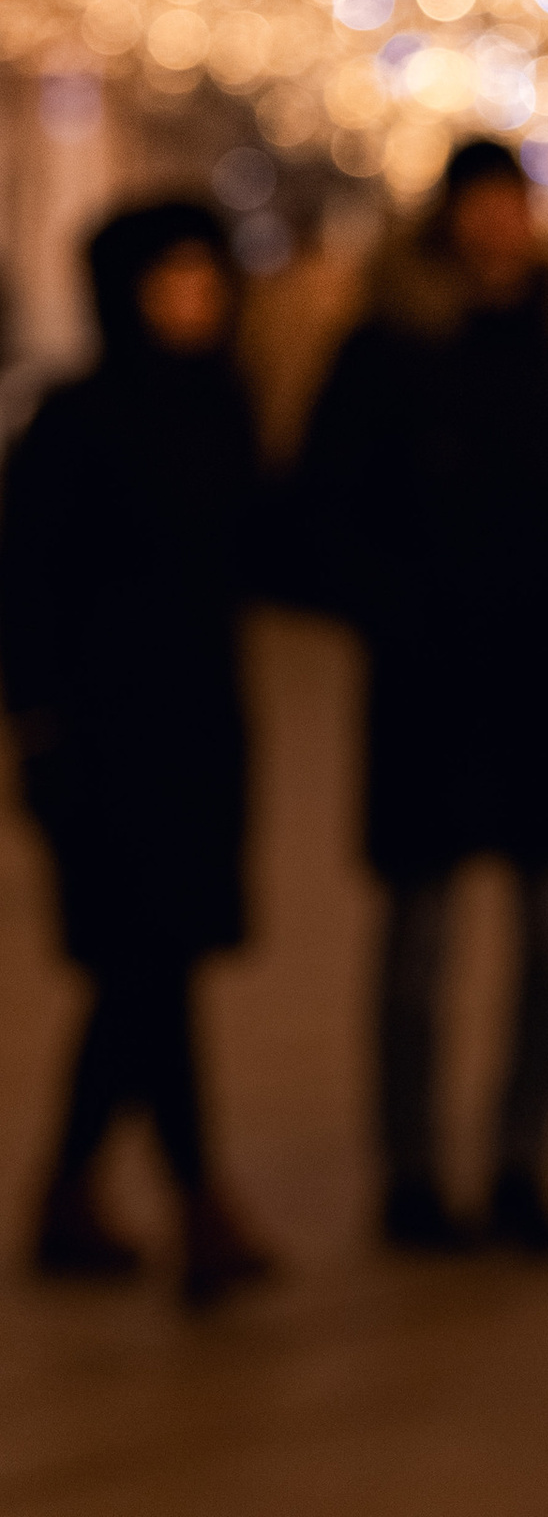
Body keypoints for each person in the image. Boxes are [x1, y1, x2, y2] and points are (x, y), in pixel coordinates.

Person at [296, 139, 548, 1254]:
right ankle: (414, 1171)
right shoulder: (388, 350)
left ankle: (523, 1159)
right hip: (431, 691)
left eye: (510, 208)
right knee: (420, 946)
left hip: (544, 691)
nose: (496, 230)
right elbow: (322, 513)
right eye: (479, 209)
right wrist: (400, 611)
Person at [0, 200, 275, 1304]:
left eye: (206, 280)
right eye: (172, 280)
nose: (192, 300)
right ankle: (199, 1197)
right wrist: (43, 730)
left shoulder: (222, 405)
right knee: (148, 970)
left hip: (200, 732)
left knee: (143, 975)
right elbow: (26, 594)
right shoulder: (73, 421)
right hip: (104, 745)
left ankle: (68, 1192)